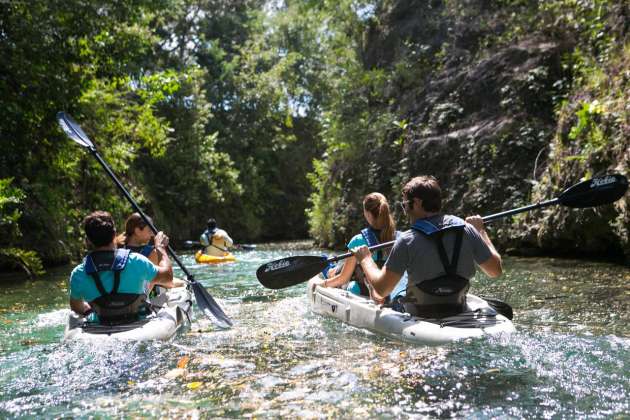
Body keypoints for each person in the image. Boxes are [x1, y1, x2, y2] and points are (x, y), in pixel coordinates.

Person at [352, 176, 502, 318]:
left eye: (404, 205)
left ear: (416, 203)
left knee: (387, 290)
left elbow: (382, 288)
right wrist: (481, 231)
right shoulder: (467, 229)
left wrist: (365, 259)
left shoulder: (406, 240)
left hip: (419, 314)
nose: (405, 211)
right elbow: (495, 270)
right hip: (457, 307)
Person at [69, 211, 174, 324]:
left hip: (100, 328)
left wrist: (90, 309)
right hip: (137, 324)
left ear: (88, 240)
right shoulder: (136, 261)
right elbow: (168, 277)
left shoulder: (78, 273)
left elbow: (76, 307)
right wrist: (160, 247)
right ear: (114, 235)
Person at [319, 192, 407, 304]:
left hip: (366, 288)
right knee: (347, 269)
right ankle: (331, 269)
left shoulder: (358, 240)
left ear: (368, 215)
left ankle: (330, 270)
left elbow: (343, 278)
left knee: (350, 284)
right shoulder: (401, 238)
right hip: (391, 288)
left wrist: (323, 284)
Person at [116, 212, 185, 290]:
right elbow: (163, 280)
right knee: (182, 283)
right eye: (149, 230)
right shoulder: (152, 253)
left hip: (119, 295)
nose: (152, 234)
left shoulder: (117, 248)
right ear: (137, 231)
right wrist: (161, 247)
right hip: (142, 297)